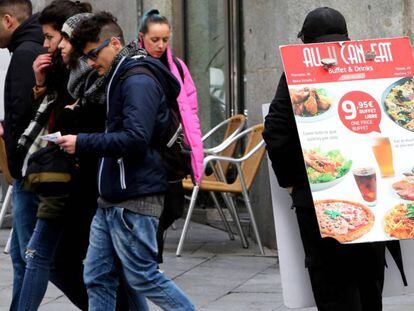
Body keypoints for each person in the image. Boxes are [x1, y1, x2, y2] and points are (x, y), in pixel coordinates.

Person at [58, 11, 195, 310]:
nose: (91, 64)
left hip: (135, 195)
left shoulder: (137, 80)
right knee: (96, 276)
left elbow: (135, 138)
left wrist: (82, 142)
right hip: (113, 196)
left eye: (93, 55)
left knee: (143, 277)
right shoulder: (120, 76)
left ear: (115, 43)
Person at [263, 7, 386, 311]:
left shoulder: (299, 73)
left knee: (332, 286)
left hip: (317, 201)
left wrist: (293, 182)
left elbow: (276, 131)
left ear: (305, 40)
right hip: (372, 196)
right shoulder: (369, 68)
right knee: (368, 284)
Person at [138, 9, 204, 264]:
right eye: (155, 39)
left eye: (165, 39)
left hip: (174, 148)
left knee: (173, 207)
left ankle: (152, 256)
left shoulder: (176, 65)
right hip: (151, 147)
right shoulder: (137, 64)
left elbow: (191, 108)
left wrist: (192, 144)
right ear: (142, 36)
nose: (161, 45)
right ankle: (152, 260)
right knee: (154, 208)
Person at [0, 1, 44, 310]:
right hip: (29, 170)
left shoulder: (26, 53)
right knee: (21, 254)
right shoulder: (28, 48)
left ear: (7, 20)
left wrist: (16, 166)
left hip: (30, 172)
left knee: (32, 256)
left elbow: (26, 115)